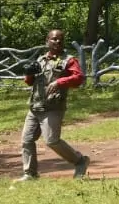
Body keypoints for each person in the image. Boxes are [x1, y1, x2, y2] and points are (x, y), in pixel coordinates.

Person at [15, 29, 90, 181]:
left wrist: (60, 82)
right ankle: (30, 173)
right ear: (47, 41)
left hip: (53, 107)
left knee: (51, 140)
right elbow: (30, 82)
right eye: (54, 39)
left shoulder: (68, 60)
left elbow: (79, 78)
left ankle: (80, 161)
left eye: (60, 39)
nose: (57, 42)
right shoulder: (41, 60)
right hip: (35, 106)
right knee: (27, 140)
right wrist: (29, 73)